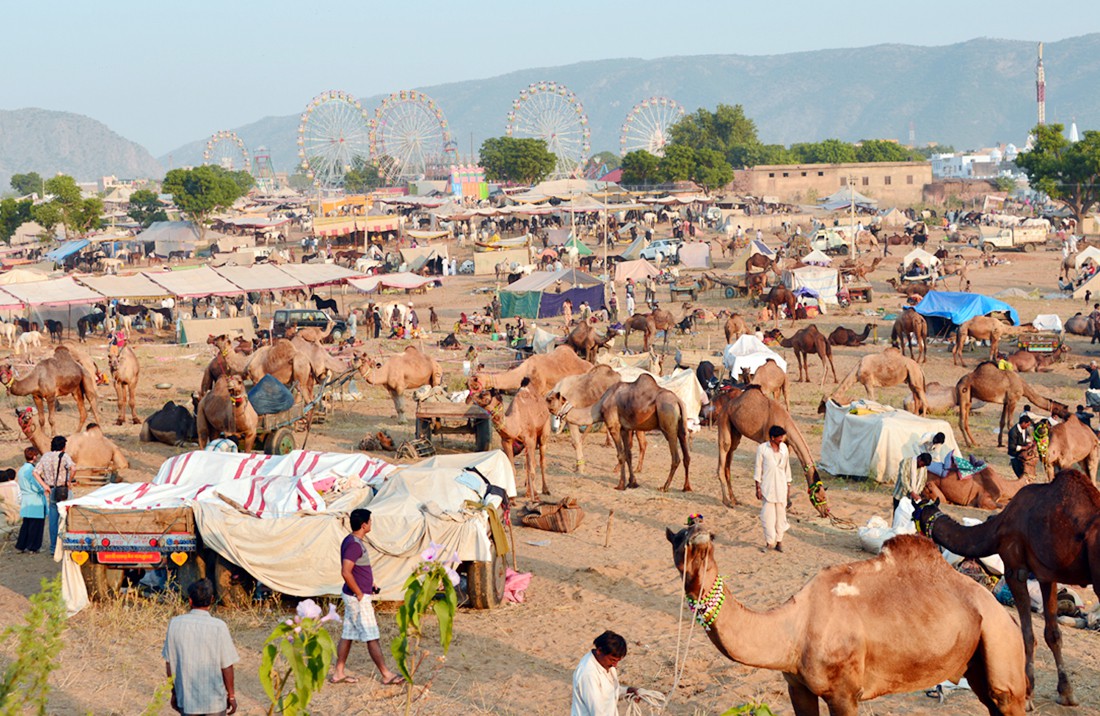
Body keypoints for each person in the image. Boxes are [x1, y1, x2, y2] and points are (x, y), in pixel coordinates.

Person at [331, 508, 403, 685]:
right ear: (364, 525)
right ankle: (386, 674)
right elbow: (346, 572)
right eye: (370, 521)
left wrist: (369, 583)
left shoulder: (350, 540)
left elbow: (356, 569)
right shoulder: (355, 545)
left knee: (347, 634)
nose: (371, 524)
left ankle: (338, 672)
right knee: (371, 635)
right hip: (357, 598)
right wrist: (360, 593)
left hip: (354, 595)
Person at [163, 579, 239, 716]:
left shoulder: (175, 624)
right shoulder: (219, 626)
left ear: (190, 601)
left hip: (187, 701)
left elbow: (169, 664)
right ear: (211, 600)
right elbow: (227, 666)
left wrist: (174, 692)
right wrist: (231, 695)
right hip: (214, 703)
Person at [571, 630, 637, 716]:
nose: (615, 665)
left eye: (617, 661)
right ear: (599, 651)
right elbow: (597, 711)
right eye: (612, 660)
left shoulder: (605, 663)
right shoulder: (588, 674)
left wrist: (626, 691)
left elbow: (607, 691)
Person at [754, 425, 792, 553]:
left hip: (781, 486)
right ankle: (770, 542)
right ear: (772, 438)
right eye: (779, 437)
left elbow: (787, 468)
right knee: (767, 517)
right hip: (767, 487)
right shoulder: (762, 449)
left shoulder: (784, 449)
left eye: (782, 436)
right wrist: (757, 487)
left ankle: (779, 542)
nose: (781, 439)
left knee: (781, 516)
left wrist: (788, 486)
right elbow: (758, 468)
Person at [33, 435, 73, 551]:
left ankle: (53, 547)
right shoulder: (65, 456)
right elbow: (73, 468)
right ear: (63, 446)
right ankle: (67, 545)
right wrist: (69, 481)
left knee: (53, 519)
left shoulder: (45, 456)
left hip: (51, 490)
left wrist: (44, 485)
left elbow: (35, 472)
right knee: (67, 517)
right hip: (63, 489)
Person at [15, 447, 44, 553]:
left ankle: (21, 545)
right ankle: (33, 546)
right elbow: (36, 485)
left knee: (26, 524)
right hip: (35, 499)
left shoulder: (21, 469)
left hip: (25, 499)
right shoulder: (32, 470)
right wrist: (44, 488)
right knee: (35, 525)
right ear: (34, 456)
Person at [1007, 414, 1036, 479]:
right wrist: (1024, 448)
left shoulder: (1024, 429)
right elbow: (1012, 447)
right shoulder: (1013, 432)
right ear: (1023, 423)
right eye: (1027, 425)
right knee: (1020, 476)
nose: (1027, 426)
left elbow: (1023, 439)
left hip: (1021, 456)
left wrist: (1029, 442)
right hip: (1015, 456)